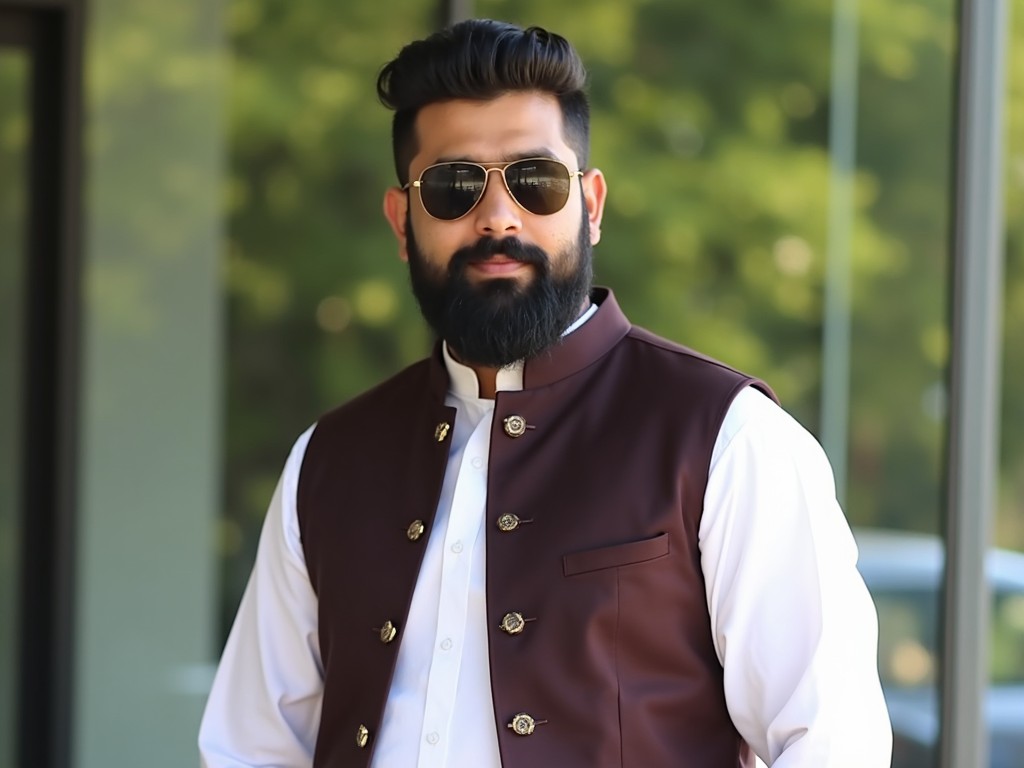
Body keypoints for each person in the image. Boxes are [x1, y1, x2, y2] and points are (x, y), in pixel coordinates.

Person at [199, 18, 892, 768]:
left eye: (535, 181)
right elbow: (253, 748)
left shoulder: (726, 437)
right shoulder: (329, 461)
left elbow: (830, 743)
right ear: (403, 221)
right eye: (454, 187)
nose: (498, 217)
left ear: (590, 203)